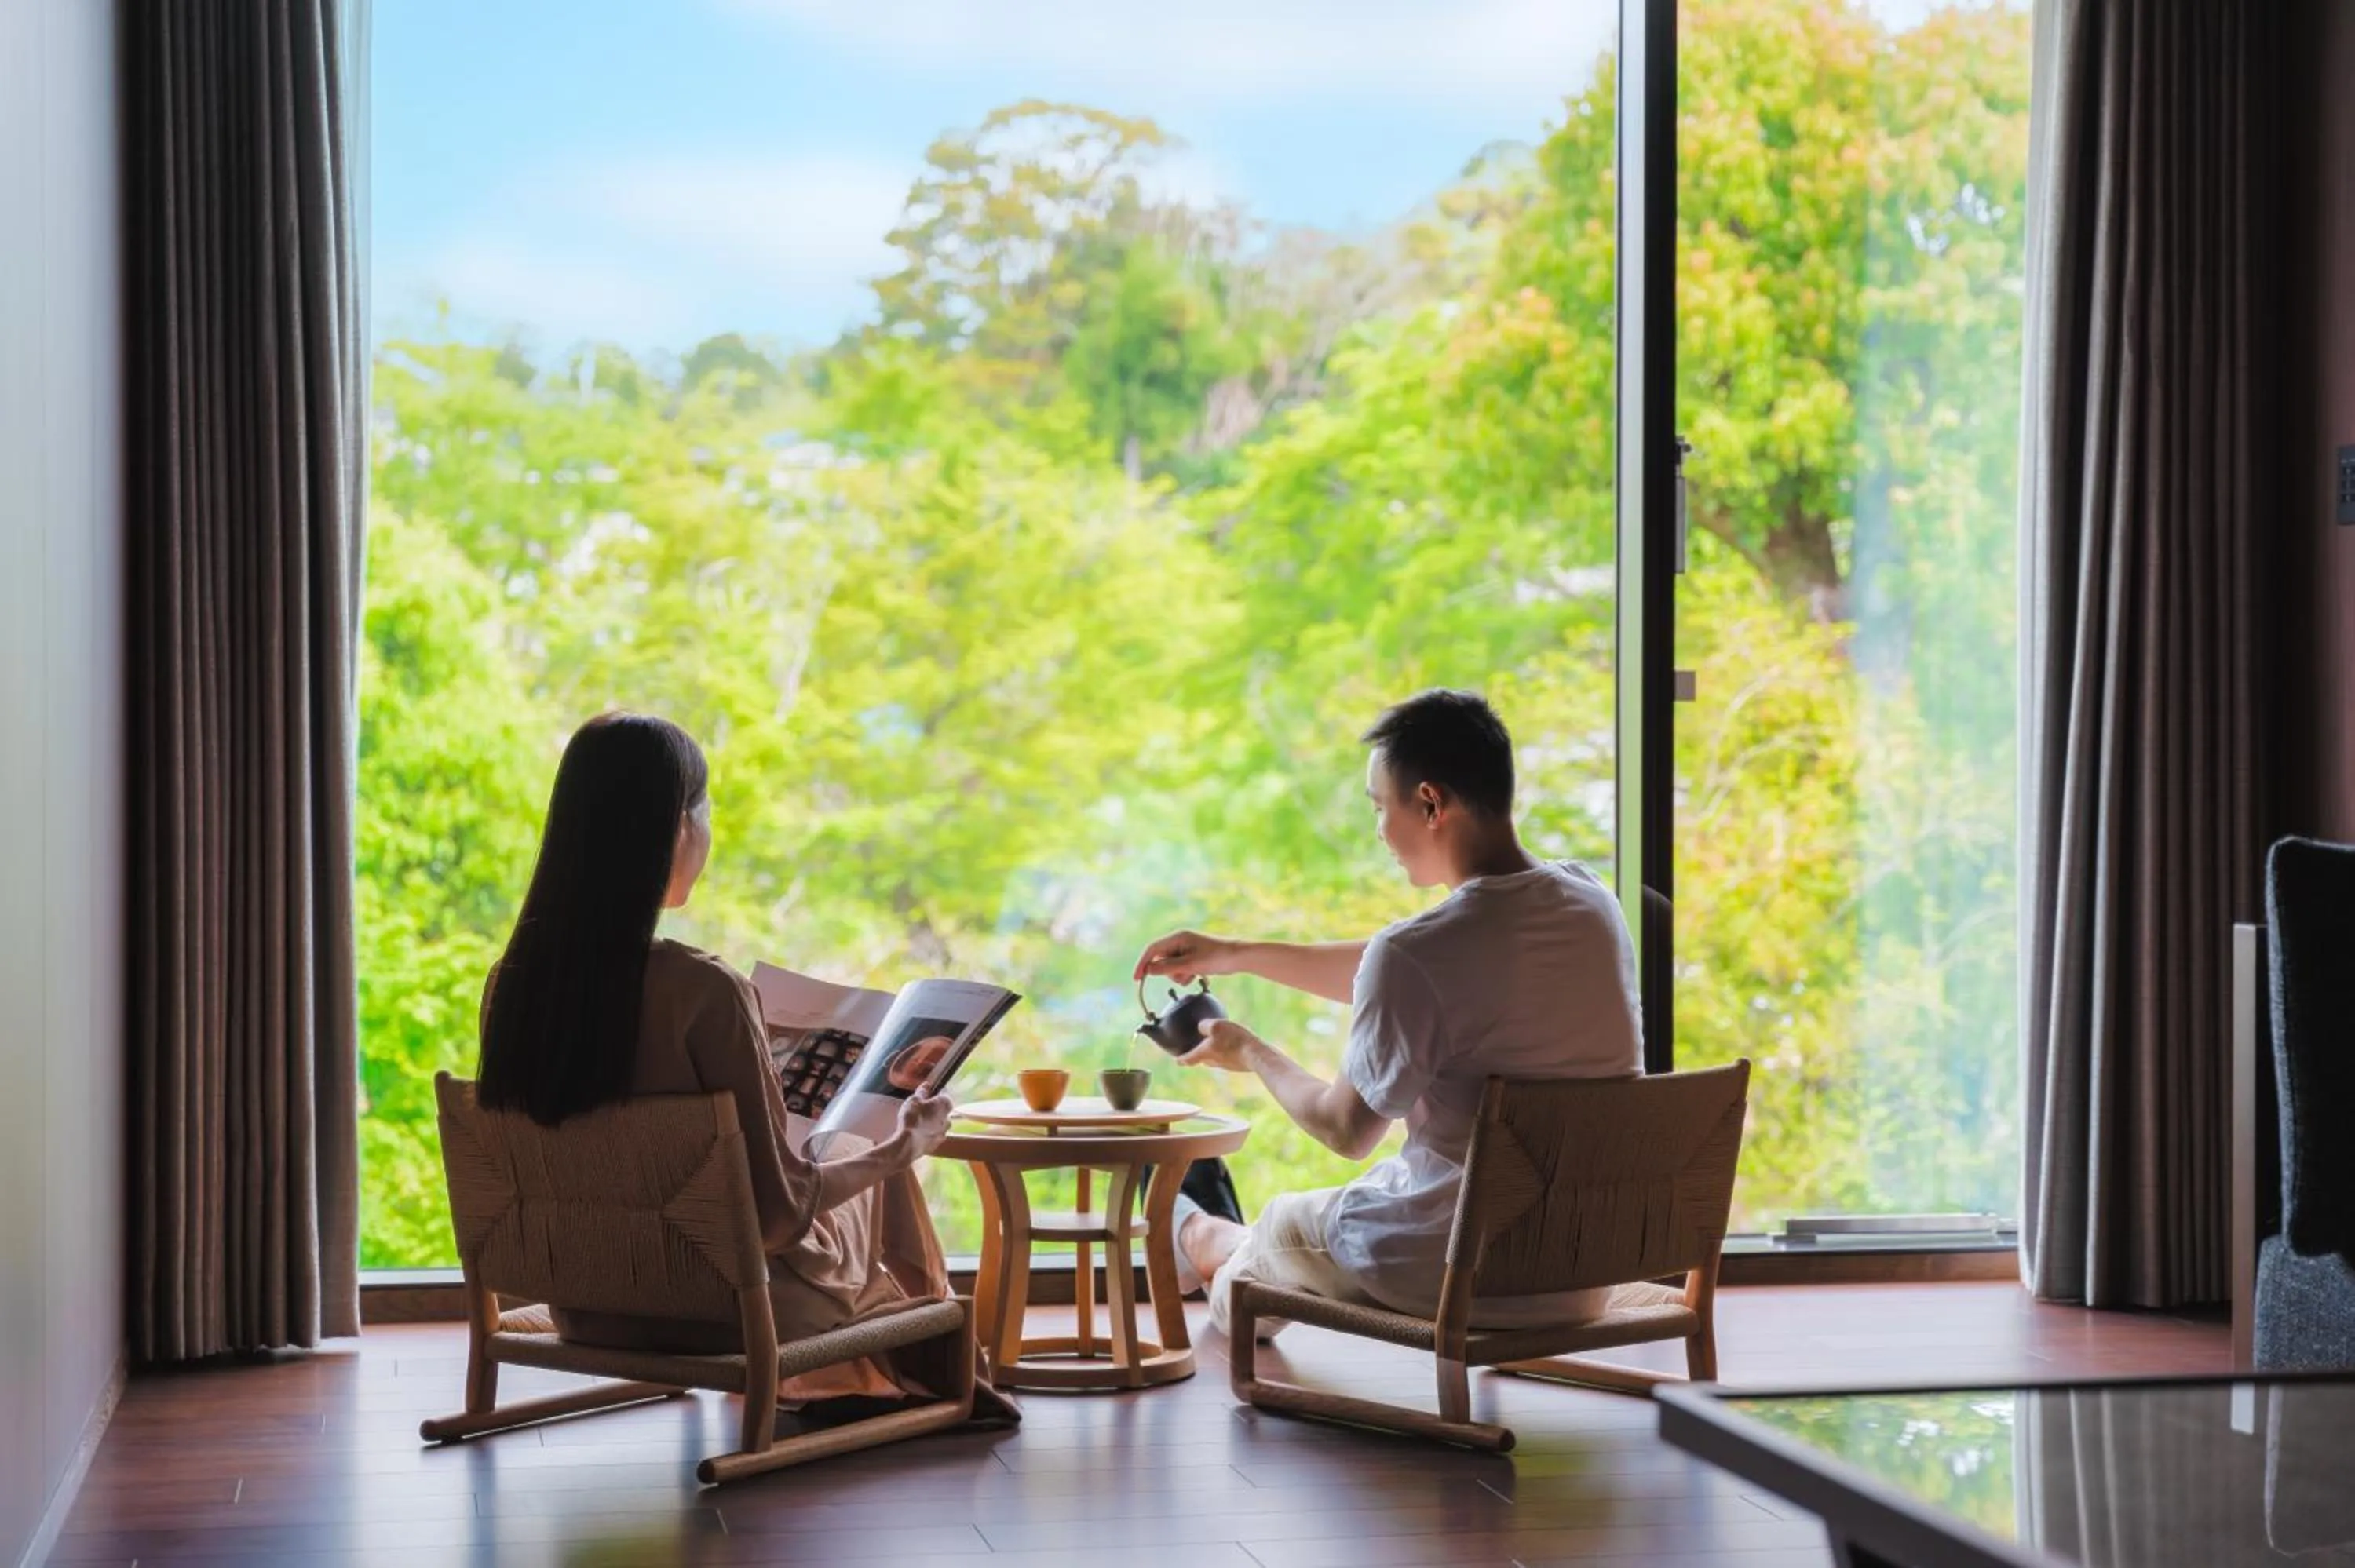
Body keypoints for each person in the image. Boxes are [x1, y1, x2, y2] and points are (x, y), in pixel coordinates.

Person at [476, 711, 1017, 1422]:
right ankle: (941, 1369)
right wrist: (904, 1148)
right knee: (873, 1148)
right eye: (705, 813)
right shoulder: (704, 991)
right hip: (729, 1313)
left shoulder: (509, 984)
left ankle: (908, 1370)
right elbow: (776, 1217)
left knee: (849, 1151)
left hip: (591, 1307)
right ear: (676, 828)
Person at [1133, 689, 1642, 1338]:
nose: (1379, 832)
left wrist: (1249, 1050)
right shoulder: (1593, 904)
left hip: (1451, 1266)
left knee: (1248, 1291)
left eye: (1380, 807)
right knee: (1290, 1237)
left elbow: (1347, 1132)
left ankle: (1201, 1235)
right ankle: (1225, 1235)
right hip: (1578, 1270)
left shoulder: (1416, 955)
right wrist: (1234, 954)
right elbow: (1418, 973)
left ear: (1430, 803)